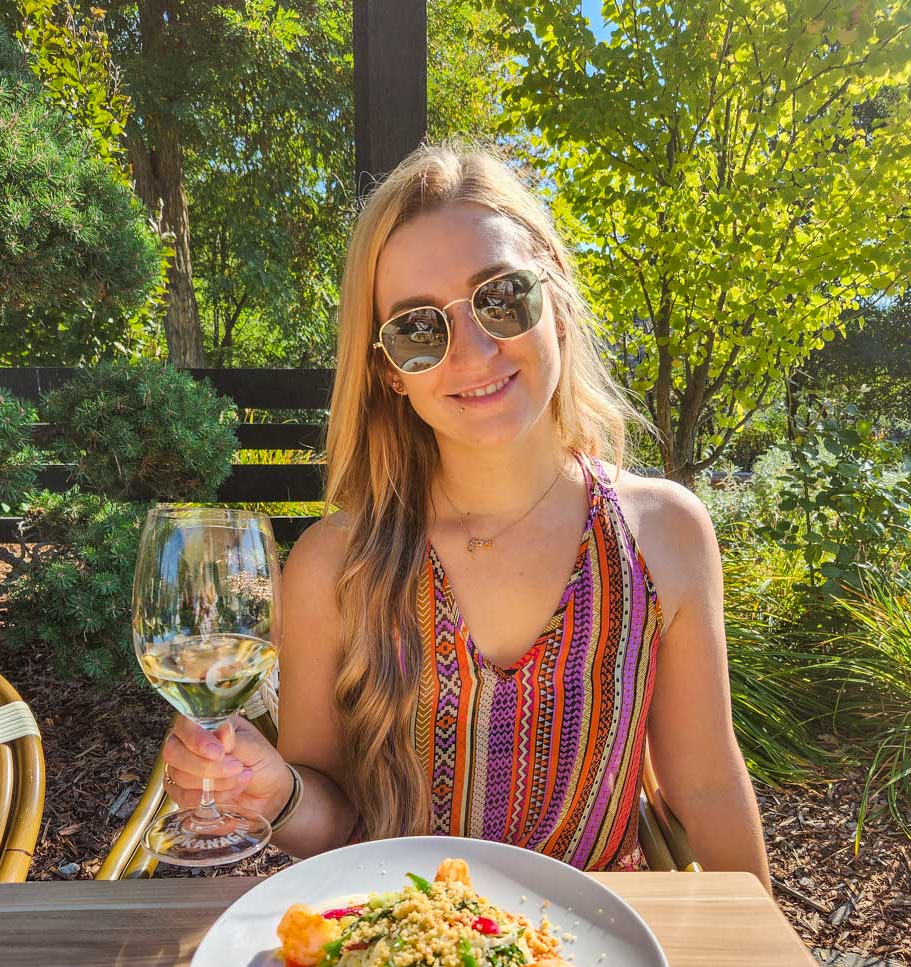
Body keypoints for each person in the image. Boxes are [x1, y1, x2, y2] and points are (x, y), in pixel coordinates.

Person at [162, 141, 771, 890]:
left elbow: (705, 786)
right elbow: (330, 817)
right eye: (419, 329)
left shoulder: (664, 536)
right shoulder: (333, 566)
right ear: (388, 371)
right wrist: (275, 792)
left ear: (556, 297)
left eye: (502, 297)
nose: (476, 349)